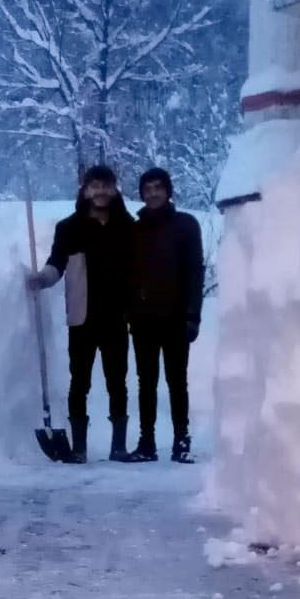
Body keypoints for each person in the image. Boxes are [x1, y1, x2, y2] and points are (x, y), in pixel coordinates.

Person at [26, 164, 134, 464]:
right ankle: (79, 448)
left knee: (117, 381)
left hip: (116, 316)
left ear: (114, 189)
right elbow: (56, 264)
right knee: (80, 382)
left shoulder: (127, 227)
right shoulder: (69, 228)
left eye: (106, 185)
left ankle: (119, 447)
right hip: (82, 316)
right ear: (85, 190)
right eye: (94, 185)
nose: (100, 191)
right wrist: (43, 278)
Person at [127, 167, 204, 463]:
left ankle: (181, 442)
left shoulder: (186, 225)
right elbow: (128, 276)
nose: (153, 193)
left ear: (168, 191)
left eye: (158, 187)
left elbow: (195, 272)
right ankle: (147, 443)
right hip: (144, 321)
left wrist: (192, 315)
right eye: (148, 188)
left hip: (175, 319)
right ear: (142, 194)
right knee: (145, 383)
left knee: (177, 382)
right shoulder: (136, 230)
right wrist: (129, 313)